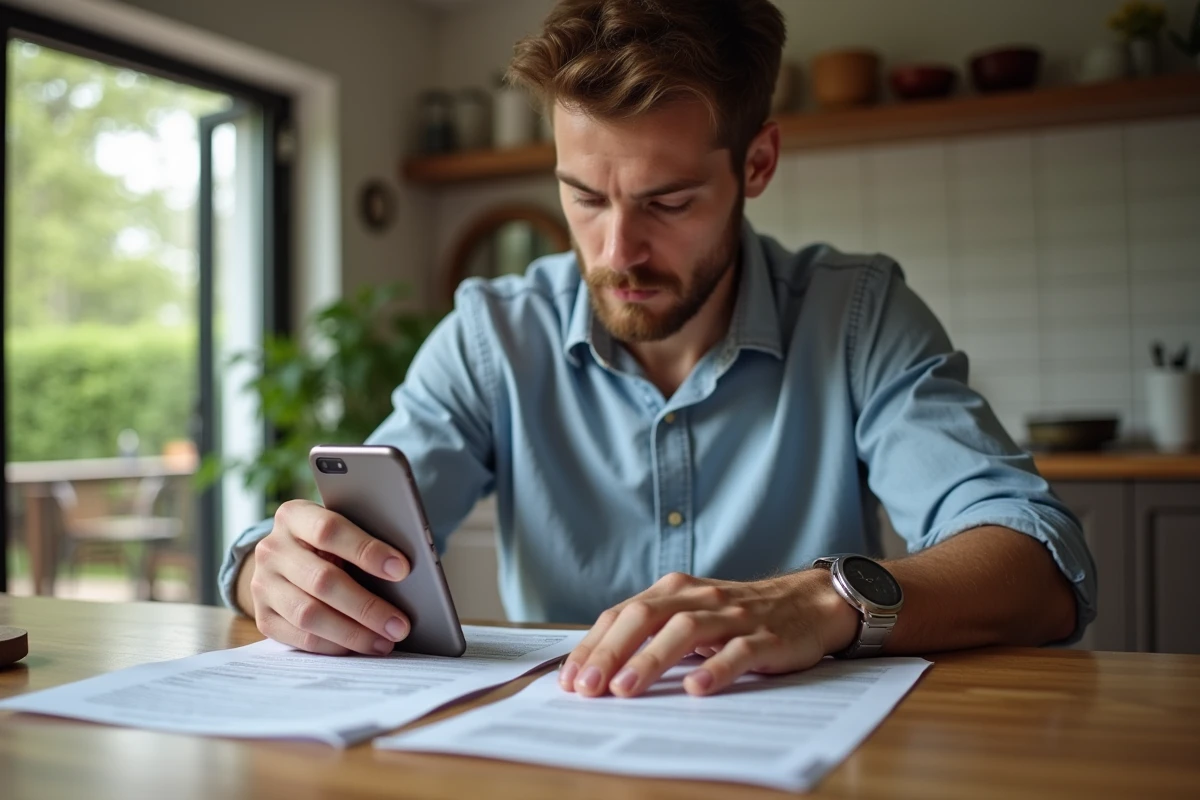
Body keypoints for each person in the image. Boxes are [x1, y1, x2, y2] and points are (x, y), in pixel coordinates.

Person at [221, 0, 1094, 700]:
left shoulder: (857, 316)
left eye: (667, 203)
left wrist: (820, 598)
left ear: (757, 164)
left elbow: (1040, 562)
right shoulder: (493, 334)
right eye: (584, 198)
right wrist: (276, 571)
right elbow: (353, 543)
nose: (615, 253)